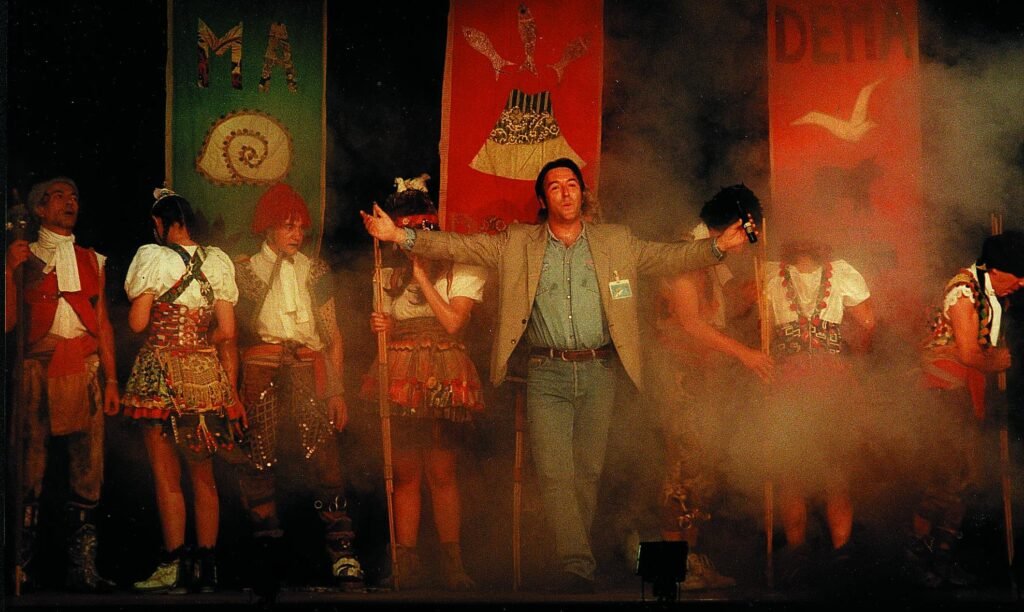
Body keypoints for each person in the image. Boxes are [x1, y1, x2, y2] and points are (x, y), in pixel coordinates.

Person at [361, 158, 755, 592]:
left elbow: (668, 257)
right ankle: (576, 564)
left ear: (582, 193)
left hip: (599, 371)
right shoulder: (518, 243)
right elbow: (460, 246)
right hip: (546, 373)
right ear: (543, 198)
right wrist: (399, 235)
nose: (565, 192)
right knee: (553, 474)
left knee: (587, 473)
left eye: (572, 184)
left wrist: (718, 248)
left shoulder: (615, 241)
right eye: (555, 186)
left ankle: (582, 557)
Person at [233, 183, 364, 592]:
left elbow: (333, 334)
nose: (296, 234)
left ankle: (342, 552)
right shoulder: (244, 271)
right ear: (268, 227)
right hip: (261, 367)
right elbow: (232, 338)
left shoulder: (315, 270)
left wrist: (337, 391)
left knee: (325, 457)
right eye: (287, 226)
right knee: (258, 457)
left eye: (300, 226)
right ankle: (266, 553)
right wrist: (232, 391)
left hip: (309, 366)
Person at [360, 177, 485, 590]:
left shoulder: (461, 267)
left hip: (444, 371)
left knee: (442, 471)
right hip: (401, 373)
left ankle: (453, 563)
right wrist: (383, 327)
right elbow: (386, 332)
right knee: (406, 472)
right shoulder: (384, 273)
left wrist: (423, 276)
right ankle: (406, 562)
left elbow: (452, 322)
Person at [120, 188, 244, 594]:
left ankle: (173, 564)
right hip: (204, 375)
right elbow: (227, 330)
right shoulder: (217, 260)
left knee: (167, 475)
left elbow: (138, 323)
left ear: (161, 223)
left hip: (160, 373)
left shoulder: (152, 257)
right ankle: (207, 569)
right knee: (204, 475)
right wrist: (199, 339)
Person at [649, 185, 773, 591]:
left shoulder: (710, 255)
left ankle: (690, 564)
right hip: (679, 375)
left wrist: (748, 300)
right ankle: (664, 574)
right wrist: (745, 354)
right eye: (748, 234)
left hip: (700, 375)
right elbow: (690, 323)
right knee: (679, 472)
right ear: (737, 226)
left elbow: (715, 312)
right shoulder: (688, 253)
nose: (747, 245)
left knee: (698, 472)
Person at [5, 177, 118, 592]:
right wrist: (9, 270)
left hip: (84, 367)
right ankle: (19, 568)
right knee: (29, 466)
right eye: (58, 197)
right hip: (37, 368)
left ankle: (82, 570)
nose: (69, 202)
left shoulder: (91, 260)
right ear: (39, 209)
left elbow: (102, 322)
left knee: (89, 468)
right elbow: (8, 322)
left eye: (74, 197)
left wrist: (111, 379)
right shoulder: (24, 255)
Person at [904, 230, 1024, 588]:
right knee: (946, 479)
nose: (1021, 282)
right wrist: (996, 362)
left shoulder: (993, 295)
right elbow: (968, 353)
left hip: (967, 391)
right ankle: (918, 553)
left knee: (966, 480)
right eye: (1017, 275)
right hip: (943, 390)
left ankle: (942, 558)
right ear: (995, 270)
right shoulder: (963, 290)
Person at [759, 239, 876, 586]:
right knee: (799, 470)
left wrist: (844, 354)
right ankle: (807, 555)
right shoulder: (768, 274)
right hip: (800, 381)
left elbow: (867, 322)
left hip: (818, 381)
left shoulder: (838, 273)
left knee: (827, 470)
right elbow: (867, 323)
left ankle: (831, 556)